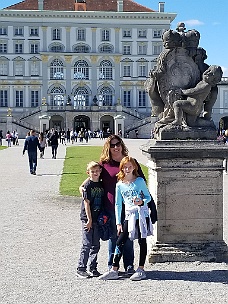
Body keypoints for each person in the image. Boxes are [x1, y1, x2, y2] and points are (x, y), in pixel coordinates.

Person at [79, 134, 146, 274]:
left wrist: (141, 201)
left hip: (129, 206)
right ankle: (112, 265)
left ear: (122, 145)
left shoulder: (130, 162)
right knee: (113, 236)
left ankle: (128, 265)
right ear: (108, 147)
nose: (116, 147)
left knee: (128, 236)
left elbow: (142, 181)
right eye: (112, 145)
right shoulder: (104, 164)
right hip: (111, 205)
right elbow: (93, 176)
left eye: (118, 144)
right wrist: (82, 187)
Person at [99, 156, 153, 281]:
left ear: (134, 167)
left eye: (129, 166)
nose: (127, 169)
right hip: (129, 215)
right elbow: (118, 204)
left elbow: (148, 197)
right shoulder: (119, 185)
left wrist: (141, 202)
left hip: (141, 214)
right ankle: (114, 269)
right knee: (120, 241)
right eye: (125, 167)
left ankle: (141, 268)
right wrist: (118, 222)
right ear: (122, 168)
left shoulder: (139, 181)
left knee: (141, 240)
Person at [77, 161, 104, 279]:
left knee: (96, 244)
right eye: (93, 172)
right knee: (87, 244)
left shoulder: (101, 184)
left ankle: (93, 267)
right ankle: (81, 268)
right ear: (88, 173)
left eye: (97, 171)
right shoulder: (88, 186)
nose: (95, 173)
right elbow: (86, 204)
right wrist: (89, 220)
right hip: (88, 218)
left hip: (97, 218)